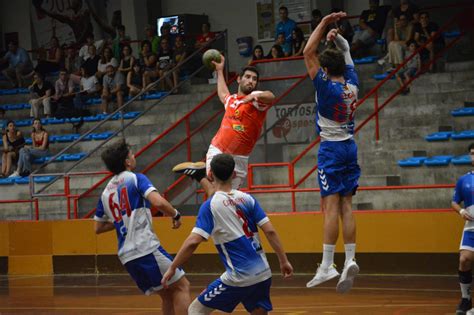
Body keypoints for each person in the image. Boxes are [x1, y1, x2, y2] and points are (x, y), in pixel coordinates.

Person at [162, 153, 293, 314]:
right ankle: (198, 175)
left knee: (196, 310)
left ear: (210, 175)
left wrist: (172, 267)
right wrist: (284, 261)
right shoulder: (247, 199)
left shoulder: (210, 206)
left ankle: (199, 176)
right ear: (234, 174)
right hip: (263, 274)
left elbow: (193, 242)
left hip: (238, 277)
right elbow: (270, 231)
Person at [94, 140, 191, 314]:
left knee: (167, 294)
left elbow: (98, 227)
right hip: (145, 248)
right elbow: (158, 202)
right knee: (182, 286)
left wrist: (121, 220)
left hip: (126, 256)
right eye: (131, 154)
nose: (134, 156)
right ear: (127, 162)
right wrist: (175, 214)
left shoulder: (105, 193)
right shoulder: (136, 178)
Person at [303, 12, 360, 292]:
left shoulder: (324, 88)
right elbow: (347, 52)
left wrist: (325, 23)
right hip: (351, 146)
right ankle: (350, 258)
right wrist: (338, 40)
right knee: (347, 205)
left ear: (325, 70)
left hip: (331, 150)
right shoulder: (352, 85)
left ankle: (327, 265)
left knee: (330, 207)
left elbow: (307, 51)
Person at [172, 56, 275, 195]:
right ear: (239, 79)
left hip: (240, 159)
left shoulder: (256, 99)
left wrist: (254, 96)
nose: (251, 81)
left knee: (224, 197)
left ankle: (199, 175)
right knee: (220, 195)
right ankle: (201, 174)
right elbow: (223, 94)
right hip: (218, 150)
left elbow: (271, 96)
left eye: (254, 79)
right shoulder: (232, 100)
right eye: (248, 77)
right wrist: (220, 71)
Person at [452, 143, 474, 315]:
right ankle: (466, 299)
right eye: (472, 154)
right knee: (464, 260)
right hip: (471, 227)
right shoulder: (463, 180)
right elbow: (454, 201)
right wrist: (460, 211)